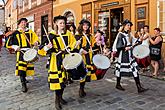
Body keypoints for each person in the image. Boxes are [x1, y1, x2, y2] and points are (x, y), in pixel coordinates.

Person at [39, 15, 76, 110]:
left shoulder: (68, 33)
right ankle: (57, 100)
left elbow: (73, 43)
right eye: (60, 23)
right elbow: (41, 50)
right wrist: (47, 47)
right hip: (55, 61)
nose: (62, 25)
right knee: (57, 82)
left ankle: (61, 97)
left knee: (64, 80)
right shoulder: (51, 34)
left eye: (63, 23)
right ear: (56, 24)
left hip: (66, 59)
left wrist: (69, 48)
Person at [114, 19, 148, 93]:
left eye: (130, 25)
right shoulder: (120, 34)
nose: (129, 27)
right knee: (120, 69)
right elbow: (118, 46)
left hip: (130, 54)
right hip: (123, 55)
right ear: (124, 26)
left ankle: (139, 87)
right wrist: (125, 47)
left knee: (134, 69)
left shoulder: (130, 34)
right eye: (128, 25)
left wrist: (139, 40)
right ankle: (118, 84)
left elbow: (135, 42)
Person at [6, 18, 39, 93]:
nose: (24, 24)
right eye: (22, 22)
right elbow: (9, 44)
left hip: (29, 51)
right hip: (21, 52)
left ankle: (24, 78)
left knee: (27, 68)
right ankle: (23, 84)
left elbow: (35, 38)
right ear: (19, 24)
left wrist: (36, 42)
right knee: (21, 68)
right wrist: (15, 47)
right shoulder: (15, 33)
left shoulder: (30, 32)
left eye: (25, 22)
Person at [75, 19, 98, 98]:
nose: (86, 27)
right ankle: (81, 90)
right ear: (81, 26)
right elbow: (75, 47)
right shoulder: (78, 35)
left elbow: (94, 44)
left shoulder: (90, 35)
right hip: (82, 56)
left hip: (89, 56)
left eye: (87, 25)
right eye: (84, 25)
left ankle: (82, 88)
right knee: (83, 73)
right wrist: (81, 50)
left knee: (86, 73)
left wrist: (96, 44)